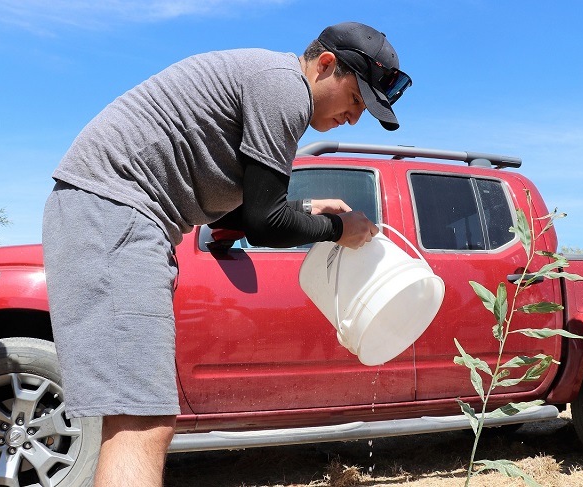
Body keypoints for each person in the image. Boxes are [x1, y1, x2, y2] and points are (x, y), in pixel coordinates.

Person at [42, 22, 412, 487]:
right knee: (141, 422)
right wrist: (340, 229)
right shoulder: (284, 89)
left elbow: (233, 218)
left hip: (117, 213)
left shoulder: (269, 84)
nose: (355, 117)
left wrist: (307, 208)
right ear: (326, 65)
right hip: (116, 211)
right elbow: (264, 224)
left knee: (136, 418)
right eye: (356, 100)